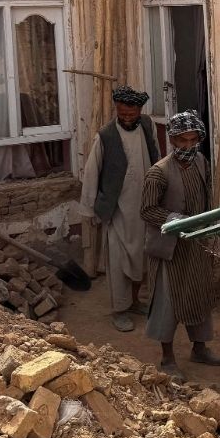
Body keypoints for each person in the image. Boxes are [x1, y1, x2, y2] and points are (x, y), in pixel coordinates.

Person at [140, 110, 220, 378]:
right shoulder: (158, 173)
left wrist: (209, 229)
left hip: (196, 245)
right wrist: (174, 219)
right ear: (173, 140)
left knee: (198, 297)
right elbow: (147, 210)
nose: (188, 147)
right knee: (168, 302)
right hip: (169, 249)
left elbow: (206, 199)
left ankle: (199, 349)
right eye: (182, 141)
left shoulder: (201, 162)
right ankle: (167, 359)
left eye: (192, 141)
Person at [78, 86, 161, 332]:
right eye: (122, 112)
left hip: (145, 205)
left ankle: (135, 301)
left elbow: (156, 157)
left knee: (141, 259)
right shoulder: (105, 136)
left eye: (131, 112)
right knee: (118, 260)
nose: (127, 117)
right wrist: (89, 209)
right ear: (117, 109)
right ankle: (120, 310)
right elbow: (92, 173)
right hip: (117, 208)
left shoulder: (148, 126)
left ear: (139, 110)